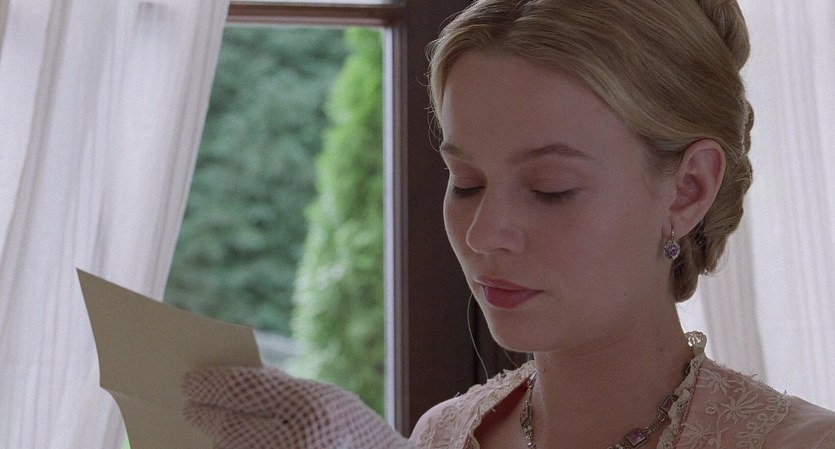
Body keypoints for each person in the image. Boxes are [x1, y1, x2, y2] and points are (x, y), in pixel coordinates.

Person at [181, 1, 835, 448]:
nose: (482, 233)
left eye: (550, 189)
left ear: (687, 189)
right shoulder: (442, 434)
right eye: (465, 181)